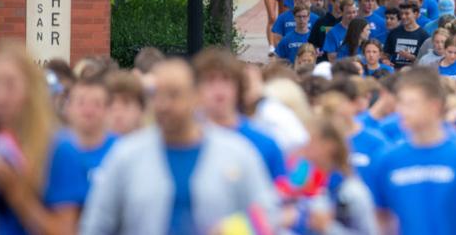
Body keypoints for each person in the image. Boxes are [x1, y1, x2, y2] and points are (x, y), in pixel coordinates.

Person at [81, 59, 278, 234]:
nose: (163, 104)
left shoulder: (237, 153)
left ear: (195, 97)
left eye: (174, 95)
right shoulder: (126, 155)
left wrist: (230, 230)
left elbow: (268, 218)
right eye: (157, 95)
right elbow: (96, 224)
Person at [371, 67, 456, 234]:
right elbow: (381, 218)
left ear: (434, 106)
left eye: (410, 104)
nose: (401, 111)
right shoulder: (387, 159)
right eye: (400, 103)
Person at [0, 46, 86, 234]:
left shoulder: (59, 148)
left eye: (10, 85)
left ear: (30, 89)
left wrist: (17, 195)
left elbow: (65, 230)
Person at [193, 49, 286, 180]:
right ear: (197, 88)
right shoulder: (183, 142)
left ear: (239, 87)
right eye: (210, 80)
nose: (219, 88)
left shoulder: (265, 144)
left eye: (226, 79)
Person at [297, 113, 378, 235]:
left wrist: (328, 227)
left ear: (329, 145)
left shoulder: (351, 191)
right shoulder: (305, 181)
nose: (305, 150)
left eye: (311, 143)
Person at [384, 2, 430, 69]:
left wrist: (411, 58)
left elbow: (427, 61)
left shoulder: (424, 35)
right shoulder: (393, 33)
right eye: (401, 14)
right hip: (396, 73)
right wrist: (385, 60)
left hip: (414, 74)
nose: (403, 16)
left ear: (416, 14)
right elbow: (386, 53)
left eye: (407, 14)